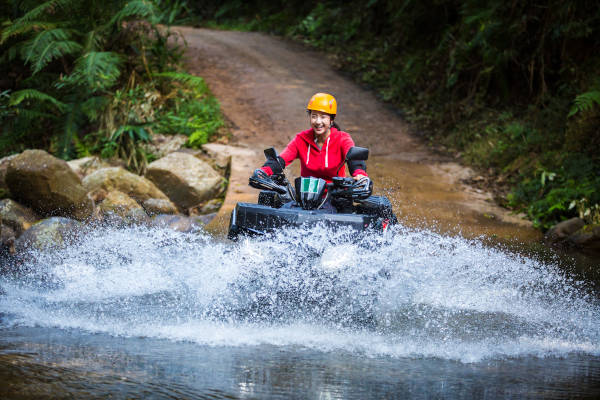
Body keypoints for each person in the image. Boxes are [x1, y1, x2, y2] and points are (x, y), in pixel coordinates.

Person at [253, 93, 369, 183]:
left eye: (323, 117)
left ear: (331, 120)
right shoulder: (301, 139)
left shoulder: (342, 138)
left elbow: (355, 160)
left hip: (336, 197)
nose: (318, 121)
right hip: (305, 197)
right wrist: (264, 171)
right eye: (314, 116)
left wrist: (360, 174)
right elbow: (282, 159)